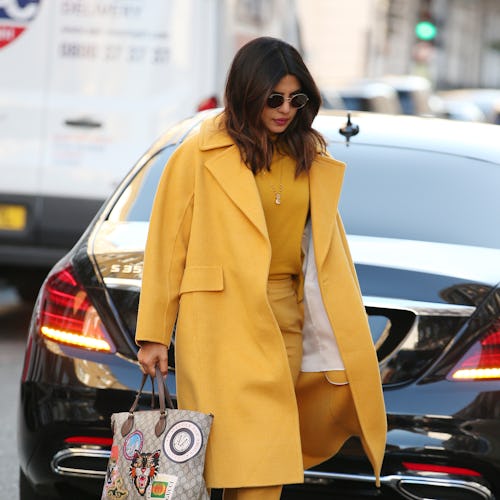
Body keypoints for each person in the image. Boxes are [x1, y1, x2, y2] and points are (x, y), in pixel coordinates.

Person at [135, 36, 386, 500]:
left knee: (265, 459)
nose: (285, 109)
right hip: (217, 325)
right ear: (247, 92)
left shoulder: (310, 156)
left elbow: (325, 247)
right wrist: (154, 332)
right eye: (274, 98)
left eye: (297, 98)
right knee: (231, 459)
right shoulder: (199, 152)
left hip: (284, 319)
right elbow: (168, 245)